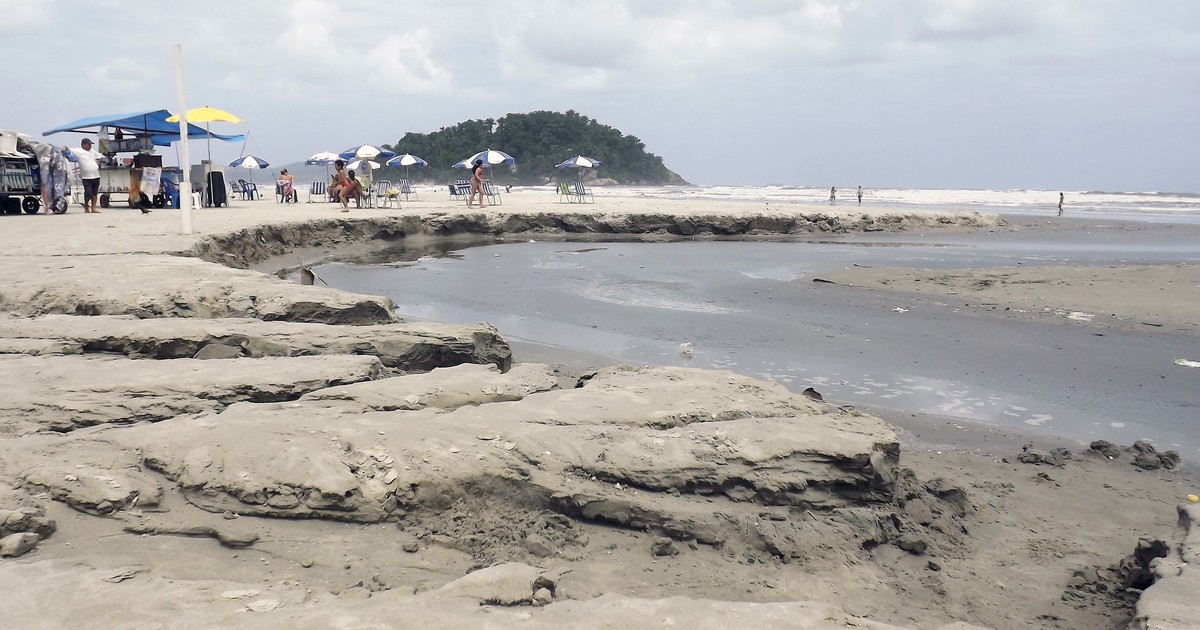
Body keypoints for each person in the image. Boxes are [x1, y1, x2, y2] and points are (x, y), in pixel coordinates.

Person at [63, 138, 104, 213]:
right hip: (86, 177)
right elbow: (67, 149)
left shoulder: (92, 152)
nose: (90, 146)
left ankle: (93, 208)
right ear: (83, 144)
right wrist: (64, 148)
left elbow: (99, 157)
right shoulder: (78, 151)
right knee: (88, 193)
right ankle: (86, 206)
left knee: (95, 193)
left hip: (96, 175)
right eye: (88, 144)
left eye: (90, 144)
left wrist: (97, 164)